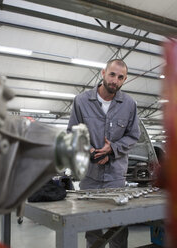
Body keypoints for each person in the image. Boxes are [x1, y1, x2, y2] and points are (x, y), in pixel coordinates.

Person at [67, 59, 140, 248]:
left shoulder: (129, 104)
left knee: (118, 228)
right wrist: (90, 150)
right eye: (112, 74)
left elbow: (133, 136)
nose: (115, 80)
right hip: (90, 175)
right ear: (103, 73)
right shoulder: (81, 101)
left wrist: (112, 149)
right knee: (92, 228)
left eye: (120, 77)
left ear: (124, 80)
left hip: (116, 177)